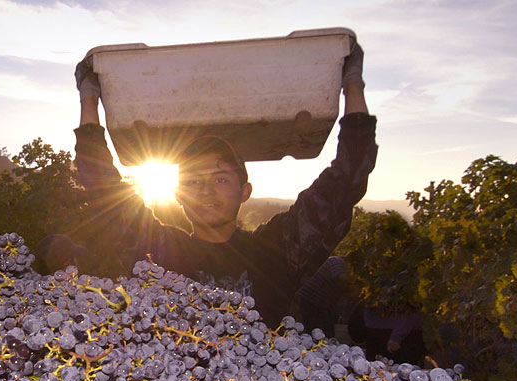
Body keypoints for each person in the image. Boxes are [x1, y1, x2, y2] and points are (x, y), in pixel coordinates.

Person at [72, 42, 377, 323]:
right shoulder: (157, 249)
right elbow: (101, 185)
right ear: (177, 194)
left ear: (245, 191)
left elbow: (345, 180)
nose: (205, 190)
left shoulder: (279, 250)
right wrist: (90, 98)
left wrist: (352, 83)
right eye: (193, 181)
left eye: (220, 178)